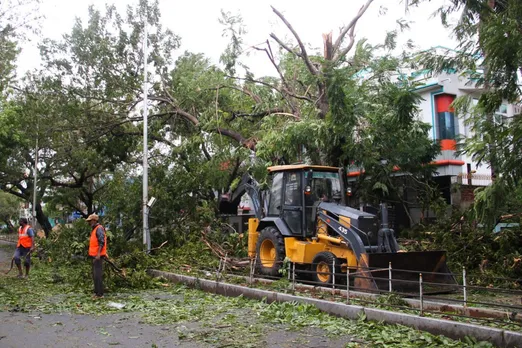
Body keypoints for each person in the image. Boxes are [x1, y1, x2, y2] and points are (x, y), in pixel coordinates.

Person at [86, 213, 107, 299]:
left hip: (97, 256)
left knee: (97, 275)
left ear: (94, 221)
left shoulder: (98, 229)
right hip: (95, 255)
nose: (89, 223)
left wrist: (99, 254)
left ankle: (100, 294)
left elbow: (101, 242)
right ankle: (96, 293)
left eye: (90, 221)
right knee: (95, 275)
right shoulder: (95, 229)